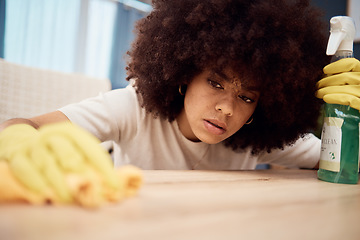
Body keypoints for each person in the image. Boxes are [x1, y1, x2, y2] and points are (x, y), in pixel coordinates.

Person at [1, 0, 358, 173]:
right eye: (215, 82)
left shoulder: (254, 140)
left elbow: (339, 165)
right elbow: (23, 126)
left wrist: (346, 118)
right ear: (185, 74)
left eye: (246, 97)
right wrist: (26, 150)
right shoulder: (132, 109)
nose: (227, 109)